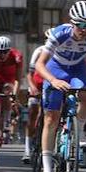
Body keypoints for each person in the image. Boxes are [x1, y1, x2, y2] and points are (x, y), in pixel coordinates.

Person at [33, 1, 86, 172]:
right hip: (55, 69)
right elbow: (40, 65)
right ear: (72, 23)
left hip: (77, 70)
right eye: (80, 25)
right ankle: (47, 170)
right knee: (51, 118)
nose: (84, 30)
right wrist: (53, 81)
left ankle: (78, 130)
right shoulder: (59, 34)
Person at [22, 32, 51, 163]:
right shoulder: (39, 51)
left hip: (50, 86)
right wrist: (33, 87)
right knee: (33, 113)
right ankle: (27, 150)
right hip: (37, 84)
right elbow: (29, 74)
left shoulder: (61, 52)